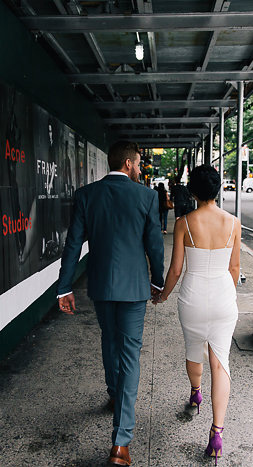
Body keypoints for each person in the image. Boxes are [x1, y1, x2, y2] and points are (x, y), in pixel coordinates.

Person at [57, 141, 164, 466]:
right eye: (139, 162)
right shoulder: (146, 196)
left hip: (101, 285)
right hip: (134, 289)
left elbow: (73, 242)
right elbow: (155, 245)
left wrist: (64, 287)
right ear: (129, 163)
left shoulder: (87, 195)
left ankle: (113, 392)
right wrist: (157, 282)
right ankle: (121, 443)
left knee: (109, 339)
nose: (140, 167)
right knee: (130, 355)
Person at [153, 164, 241, 465]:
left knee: (193, 349)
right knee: (220, 361)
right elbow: (234, 268)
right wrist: (228, 295)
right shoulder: (233, 223)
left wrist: (163, 295)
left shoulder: (184, 223)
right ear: (217, 190)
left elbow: (176, 269)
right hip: (222, 296)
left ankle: (195, 393)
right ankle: (217, 432)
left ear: (192, 191)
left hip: (192, 297)